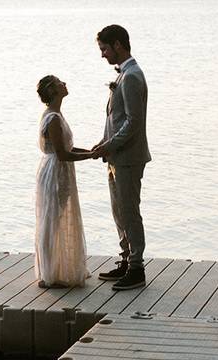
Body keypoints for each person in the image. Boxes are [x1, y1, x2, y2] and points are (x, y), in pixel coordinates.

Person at [90, 24, 151, 291]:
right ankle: (127, 259)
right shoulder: (125, 75)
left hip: (128, 157)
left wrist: (109, 146)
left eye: (104, 48)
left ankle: (137, 268)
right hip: (116, 156)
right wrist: (104, 143)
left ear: (117, 44)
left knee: (129, 211)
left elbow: (133, 123)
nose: (102, 54)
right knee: (118, 211)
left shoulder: (132, 76)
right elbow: (115, 119)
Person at [34, 75, 94, 288]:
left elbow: (67, 149)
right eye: (60, 82)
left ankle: (60, 267)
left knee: (57, 217)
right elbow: (62, 154)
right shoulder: (53, 119)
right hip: (56, 171)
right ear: (53, 90)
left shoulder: (57, 114)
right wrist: (90, 156)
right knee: (52, 219)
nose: (65, 83)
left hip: (61, 170)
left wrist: (90, 151)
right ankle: (49, 273)